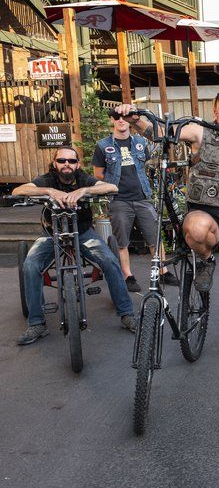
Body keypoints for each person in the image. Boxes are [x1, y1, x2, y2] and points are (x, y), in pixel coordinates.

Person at [114, 91, 219, 374]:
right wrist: (135, 117)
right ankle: (207, 260)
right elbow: (161, 131)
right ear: (215, 113)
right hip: (206, 216)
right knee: (195, 228)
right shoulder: (201, 134)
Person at [12, 146, 136, 345]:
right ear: (55, 163)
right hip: (51, 234)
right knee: (30, 265)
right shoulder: (48, 179)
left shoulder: (83, 178)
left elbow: (112, 188)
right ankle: (37, 323)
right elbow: (18, 190)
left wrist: (84, 190)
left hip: (84, 233)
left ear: (77, 164)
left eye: (71, 161)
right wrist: (49, 191)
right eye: (61, 161)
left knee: (111, 262)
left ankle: (127, 313)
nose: (66, 164)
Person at [92, 108, 178, 293]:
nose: (121, 120)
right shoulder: (102, 145)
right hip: (119, 199)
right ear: (112, 121)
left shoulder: (139, 142)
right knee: (122, 241)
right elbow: (99, 174)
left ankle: (162, 271)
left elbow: (144, 166)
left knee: (154, 235)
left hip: (142, 198)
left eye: (124, 117)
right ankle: (128, 276)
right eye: (116, 117)